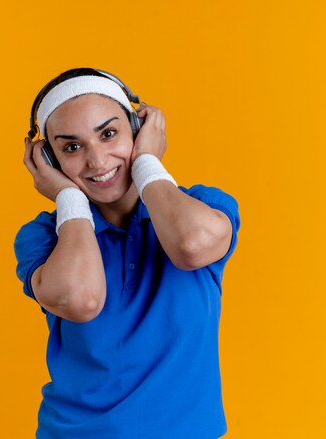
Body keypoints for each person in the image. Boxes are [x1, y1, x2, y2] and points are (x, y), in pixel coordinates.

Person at [14, 67, 240, 439]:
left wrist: (147, 163)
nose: (98, 161)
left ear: (138, 129)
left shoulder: (202, 205)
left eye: (109, 133)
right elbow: (80, 300)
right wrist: (69, 199)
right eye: (71, 147)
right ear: (49, 161)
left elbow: (191, 246)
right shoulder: (44, 236)